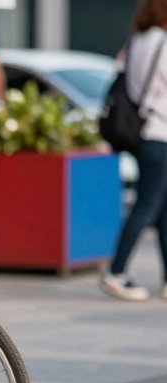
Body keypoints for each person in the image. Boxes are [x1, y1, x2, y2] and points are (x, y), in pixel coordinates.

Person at [101, 0, 167, 302]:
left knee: (161, 206)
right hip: (159, 132)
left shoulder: (136, 41)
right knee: (148, 204)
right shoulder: (164, 42)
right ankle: (116, 272)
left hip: (142, 133)